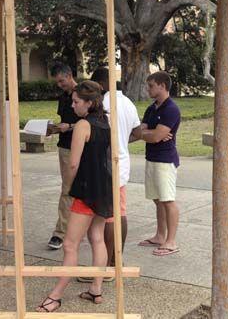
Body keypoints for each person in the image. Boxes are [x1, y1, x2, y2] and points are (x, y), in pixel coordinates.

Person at [36, 80, 113, 313]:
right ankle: (96, 289)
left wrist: (69, 188)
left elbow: (73, 163)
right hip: (103, 187)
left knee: (70, 244)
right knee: (97, 238)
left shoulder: (83, 125)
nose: (73, 104)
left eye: (76, 101)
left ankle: (56, 296)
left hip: (86, 190)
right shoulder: (105, 122)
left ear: (89, 103)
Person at [78, 67, 142, 283]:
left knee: (104, 218)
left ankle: (104, 267)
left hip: (104, 166)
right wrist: (122, 142)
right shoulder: (128, 103)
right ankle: (115, 261)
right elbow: (138, 132)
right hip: (122, 164)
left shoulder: (102, 105)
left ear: (101, 85)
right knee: (119, 213)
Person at [138, 71, 182, 257]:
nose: (148, 89)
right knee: (158, 200)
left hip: (165, 160)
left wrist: (152, 134)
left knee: (167, 200)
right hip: (152, 159)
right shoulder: (151, 109)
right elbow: (140, 133)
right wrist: (151, 134)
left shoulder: (171, 109)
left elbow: (155, 136)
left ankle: (171, 241)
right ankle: (160, 235)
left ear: (162, 86)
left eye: (151, 86)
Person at [47, 62, 80, 250]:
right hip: (66, 148)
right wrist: (54, 128)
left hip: (84, 148)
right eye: (57, 82)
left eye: (61, 81)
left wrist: (71, 127)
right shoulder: (63, 97)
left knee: (83, 190)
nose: (60, 85)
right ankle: (61, 232)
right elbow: (64, 122)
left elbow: (92, 122)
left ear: (69, 75)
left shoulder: (85, 92)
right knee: (68, 190)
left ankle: (75, 230)